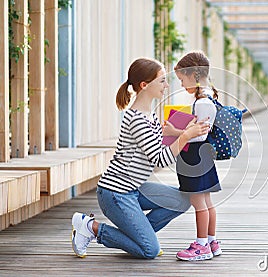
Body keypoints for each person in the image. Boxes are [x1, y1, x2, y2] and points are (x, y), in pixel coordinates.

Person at [71, 57, 210, 259]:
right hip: (115, 194)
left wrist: (180, 131)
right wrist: (186, 136)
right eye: (162, 80)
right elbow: (160, 159)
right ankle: (91, 227)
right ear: (145, 85)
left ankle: (139, 237)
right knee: (149, 250)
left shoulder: (149, 114)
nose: (167, 84)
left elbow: (158, 146)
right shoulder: (136, 119)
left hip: (134, 188)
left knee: (182, 200)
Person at [164, 51, 222, 261]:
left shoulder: (203, 102)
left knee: (199, 203)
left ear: (194, 75)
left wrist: (173, 133)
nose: (180, 85)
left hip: (195, 158)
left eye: (182, 79)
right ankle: (212, 241)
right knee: (206, 202)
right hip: (201, 158)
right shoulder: (206, 98)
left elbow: (198, 136)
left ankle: (201, 245)